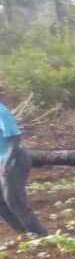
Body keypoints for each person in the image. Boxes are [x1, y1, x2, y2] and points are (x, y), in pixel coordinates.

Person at [0, 101, 47, 238]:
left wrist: (7, 163)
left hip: (13, 161)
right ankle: (24, 232)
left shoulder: (1, 111)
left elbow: (15, 138)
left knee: (14, 201)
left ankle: (39, 234)